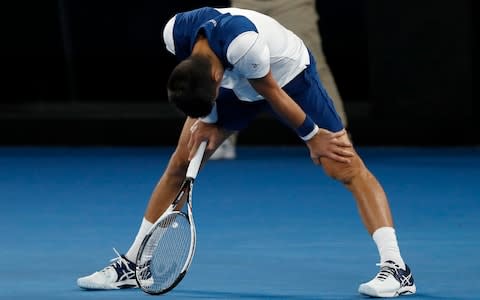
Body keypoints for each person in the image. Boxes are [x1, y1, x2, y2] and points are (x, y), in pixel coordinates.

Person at [77, 7, 415, 297]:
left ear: (213, 74)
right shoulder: (174, 32)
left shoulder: (243, 44)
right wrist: (208, 121)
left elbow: (272, 94)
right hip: (231, 87)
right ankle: (136, 263)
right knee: (180, 162)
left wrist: (314, 137)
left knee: (343, 165)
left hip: (288, 78)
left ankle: (397, 270)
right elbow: (201, 94)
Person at [210, 0, 349, 160]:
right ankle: (218, 135)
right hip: (246, 2)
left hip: (292, 4)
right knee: (228, 62)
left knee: (310, 63)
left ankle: (338, 138)